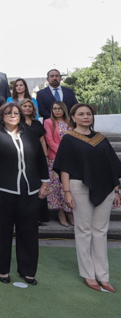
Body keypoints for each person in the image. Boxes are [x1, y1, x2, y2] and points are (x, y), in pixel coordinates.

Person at [54, 103, 121, 293]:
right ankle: (88, 274)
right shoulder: (69, 138)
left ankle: (103, 275)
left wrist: (116, 190)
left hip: (106, 188)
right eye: (81, 114)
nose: (86, 117)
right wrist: (66, 192)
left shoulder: (101, 139)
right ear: (73, 118)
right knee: (84, 230)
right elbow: (64, 167)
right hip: (78, 187)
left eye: (89, 114)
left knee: (100, 231)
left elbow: (112, 165)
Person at [0, 103, 49, 285]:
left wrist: (45, 183)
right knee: (3, 231)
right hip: (3, 191)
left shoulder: (31, 134)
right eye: (9, 113)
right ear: (1, 116)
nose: (13, 115)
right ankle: (3, 270)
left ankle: (28, 271)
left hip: (30, 190)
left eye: (16, 113)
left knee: (29, 232)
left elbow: (41, 160)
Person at [19, 98, 49, 224]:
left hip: (38, 157)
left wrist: (45, 156)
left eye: (29, 106)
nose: (27, 108)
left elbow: (42, 141)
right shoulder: (17, 123)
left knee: (38, 185)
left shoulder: (37, 123)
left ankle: (39, 217)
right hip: (23, 158)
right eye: (25, 106)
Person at [44, 101, 73, 226]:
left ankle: (69, 211)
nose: (57, 111)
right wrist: (62, 153)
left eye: (59, 108)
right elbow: (49, 140)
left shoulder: (70, 121)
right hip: (55, 158)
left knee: (68, 186)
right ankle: (61, 212)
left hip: (71, 158)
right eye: (54, 108)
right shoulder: (48, 122)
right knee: (56, 186)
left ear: (64, 109)